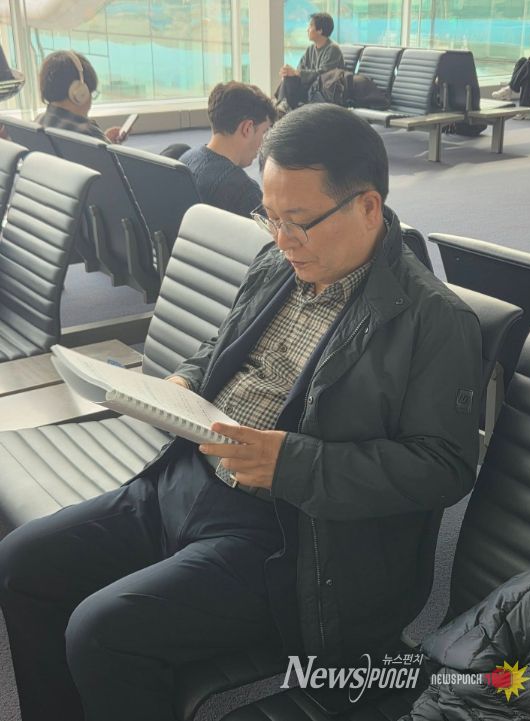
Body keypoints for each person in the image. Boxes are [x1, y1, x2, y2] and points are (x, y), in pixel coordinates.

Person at [0, 104, 482, 721]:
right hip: (184, 477)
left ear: (368, 206)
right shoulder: (278, 262)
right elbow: (224, 345)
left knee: (102, 634)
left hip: (288, 535)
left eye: (298, 222)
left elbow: (444, 468)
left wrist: (292, 464)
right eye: (270, 217)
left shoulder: (434, 320)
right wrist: (184, 381)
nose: (281, 239)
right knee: (21, 564)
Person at [180, 81, 276, 218]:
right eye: (264, 132)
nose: (263, 143)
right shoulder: (243, 191)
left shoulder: (186, 160)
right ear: (247, 128)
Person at [35, 50, 124, 143]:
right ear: (81, 94)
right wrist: (106, 144)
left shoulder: (39, 122)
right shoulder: (89, 133)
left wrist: (105, 141)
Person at [276, 12, 344, 113]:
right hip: (309, 89)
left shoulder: (333, 49)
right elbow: (300, 69)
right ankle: (282, 105)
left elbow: (323, 75)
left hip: (322, 91)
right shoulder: (310, 49)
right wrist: (290, 73)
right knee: (289, 77)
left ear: (320, 30)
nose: (307, 29)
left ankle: (283, 105)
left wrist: (297, 73)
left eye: (311, 26)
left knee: (292, 78)